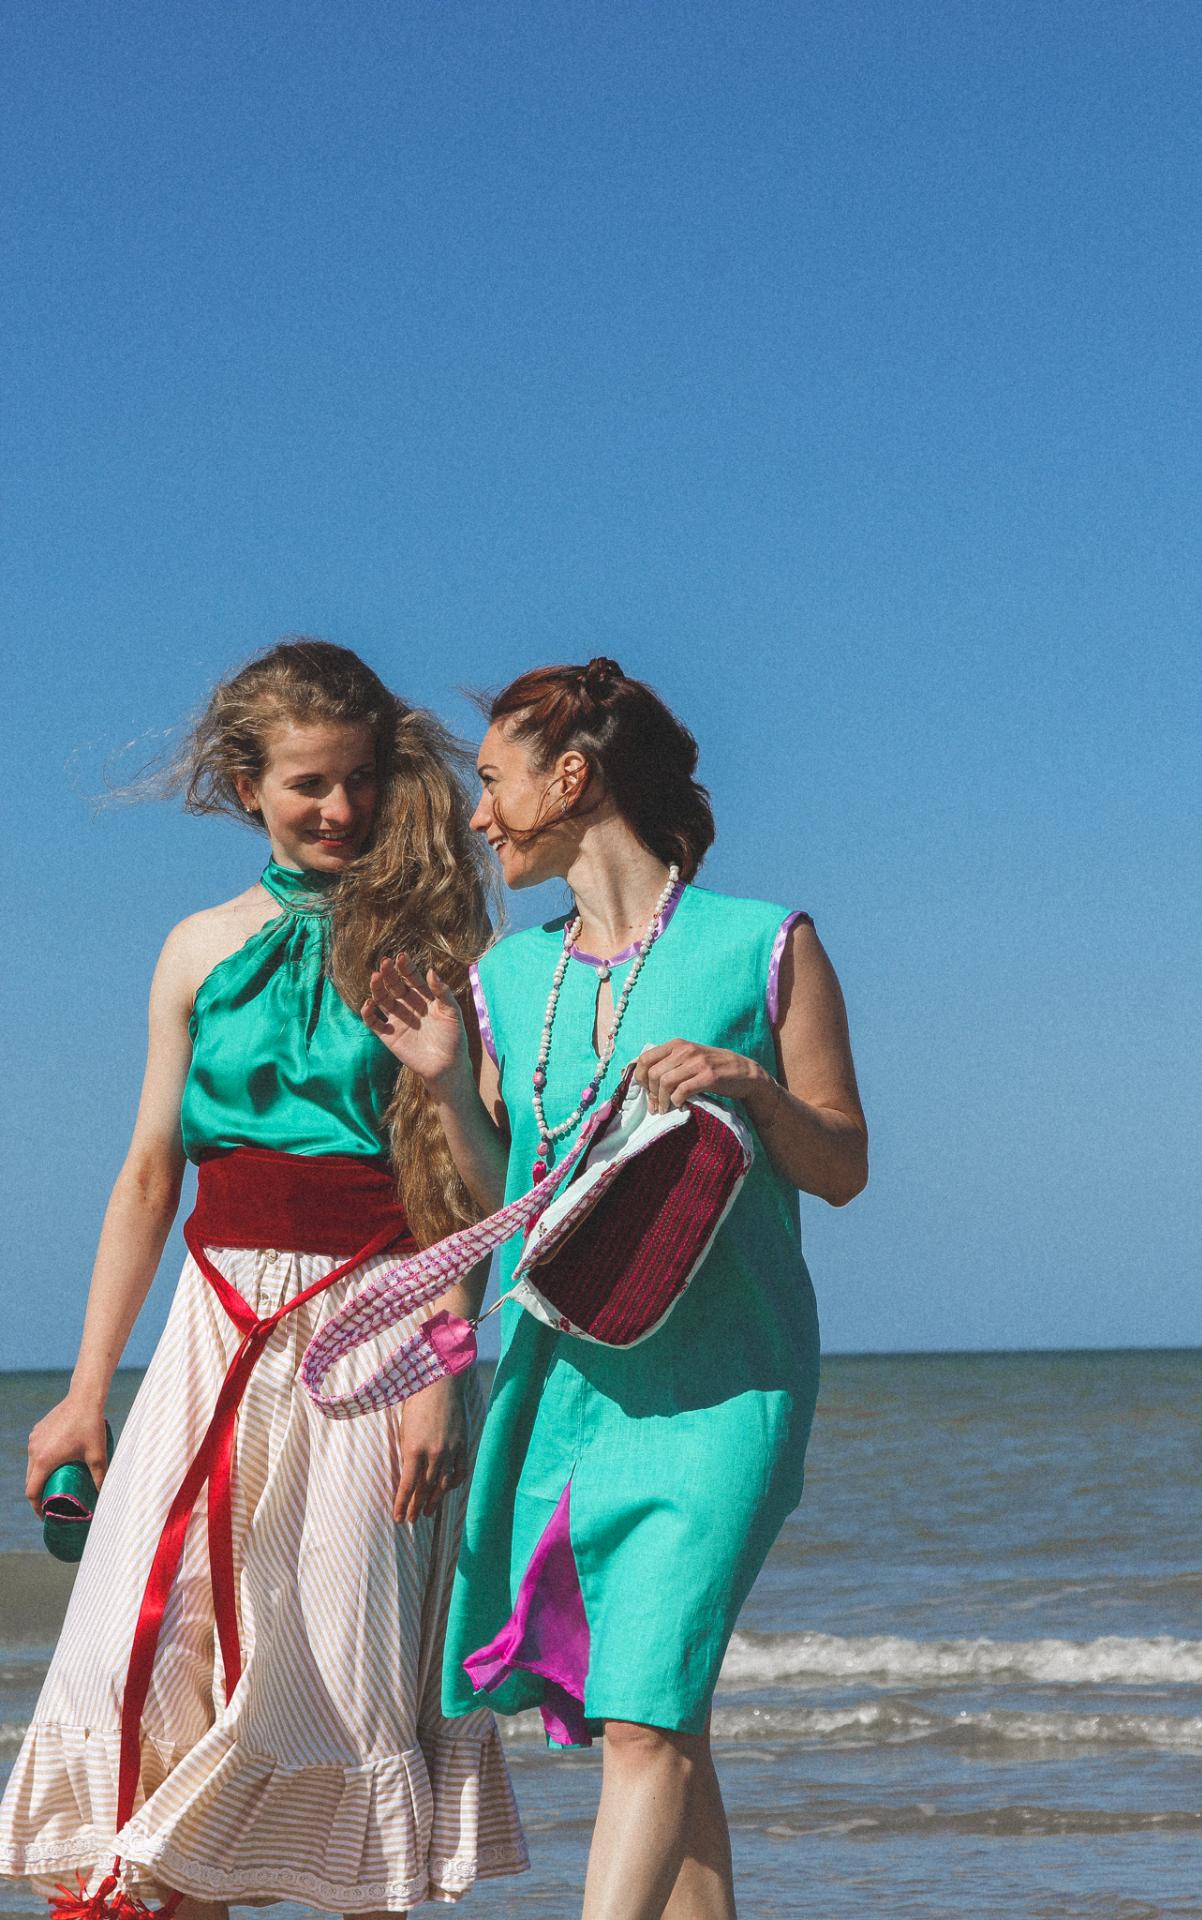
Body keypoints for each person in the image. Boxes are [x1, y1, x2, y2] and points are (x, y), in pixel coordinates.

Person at [0, 641, 528, 1917]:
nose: (339, 808)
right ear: (249, 787)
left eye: (358, 779)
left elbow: (478, 1186)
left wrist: (443, 1366)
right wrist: (85, 1391)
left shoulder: (439, 940)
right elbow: (147, 1177)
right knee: (145, 1655)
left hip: (383, 1333)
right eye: (308, 784)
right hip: (214, 1330)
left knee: (344, 1675)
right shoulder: (196, 947)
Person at [363, 656, 868, 1920]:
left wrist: (750, 1089)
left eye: (495, 782)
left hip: (726, 1388)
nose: (478, 814)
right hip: (564, 1390)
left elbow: (845, 1165)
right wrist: (444, 1081)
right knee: (660, 1721)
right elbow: (506, 1196)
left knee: (645, 1716)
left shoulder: (764, 944)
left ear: (572, 779)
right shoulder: (506, 982)